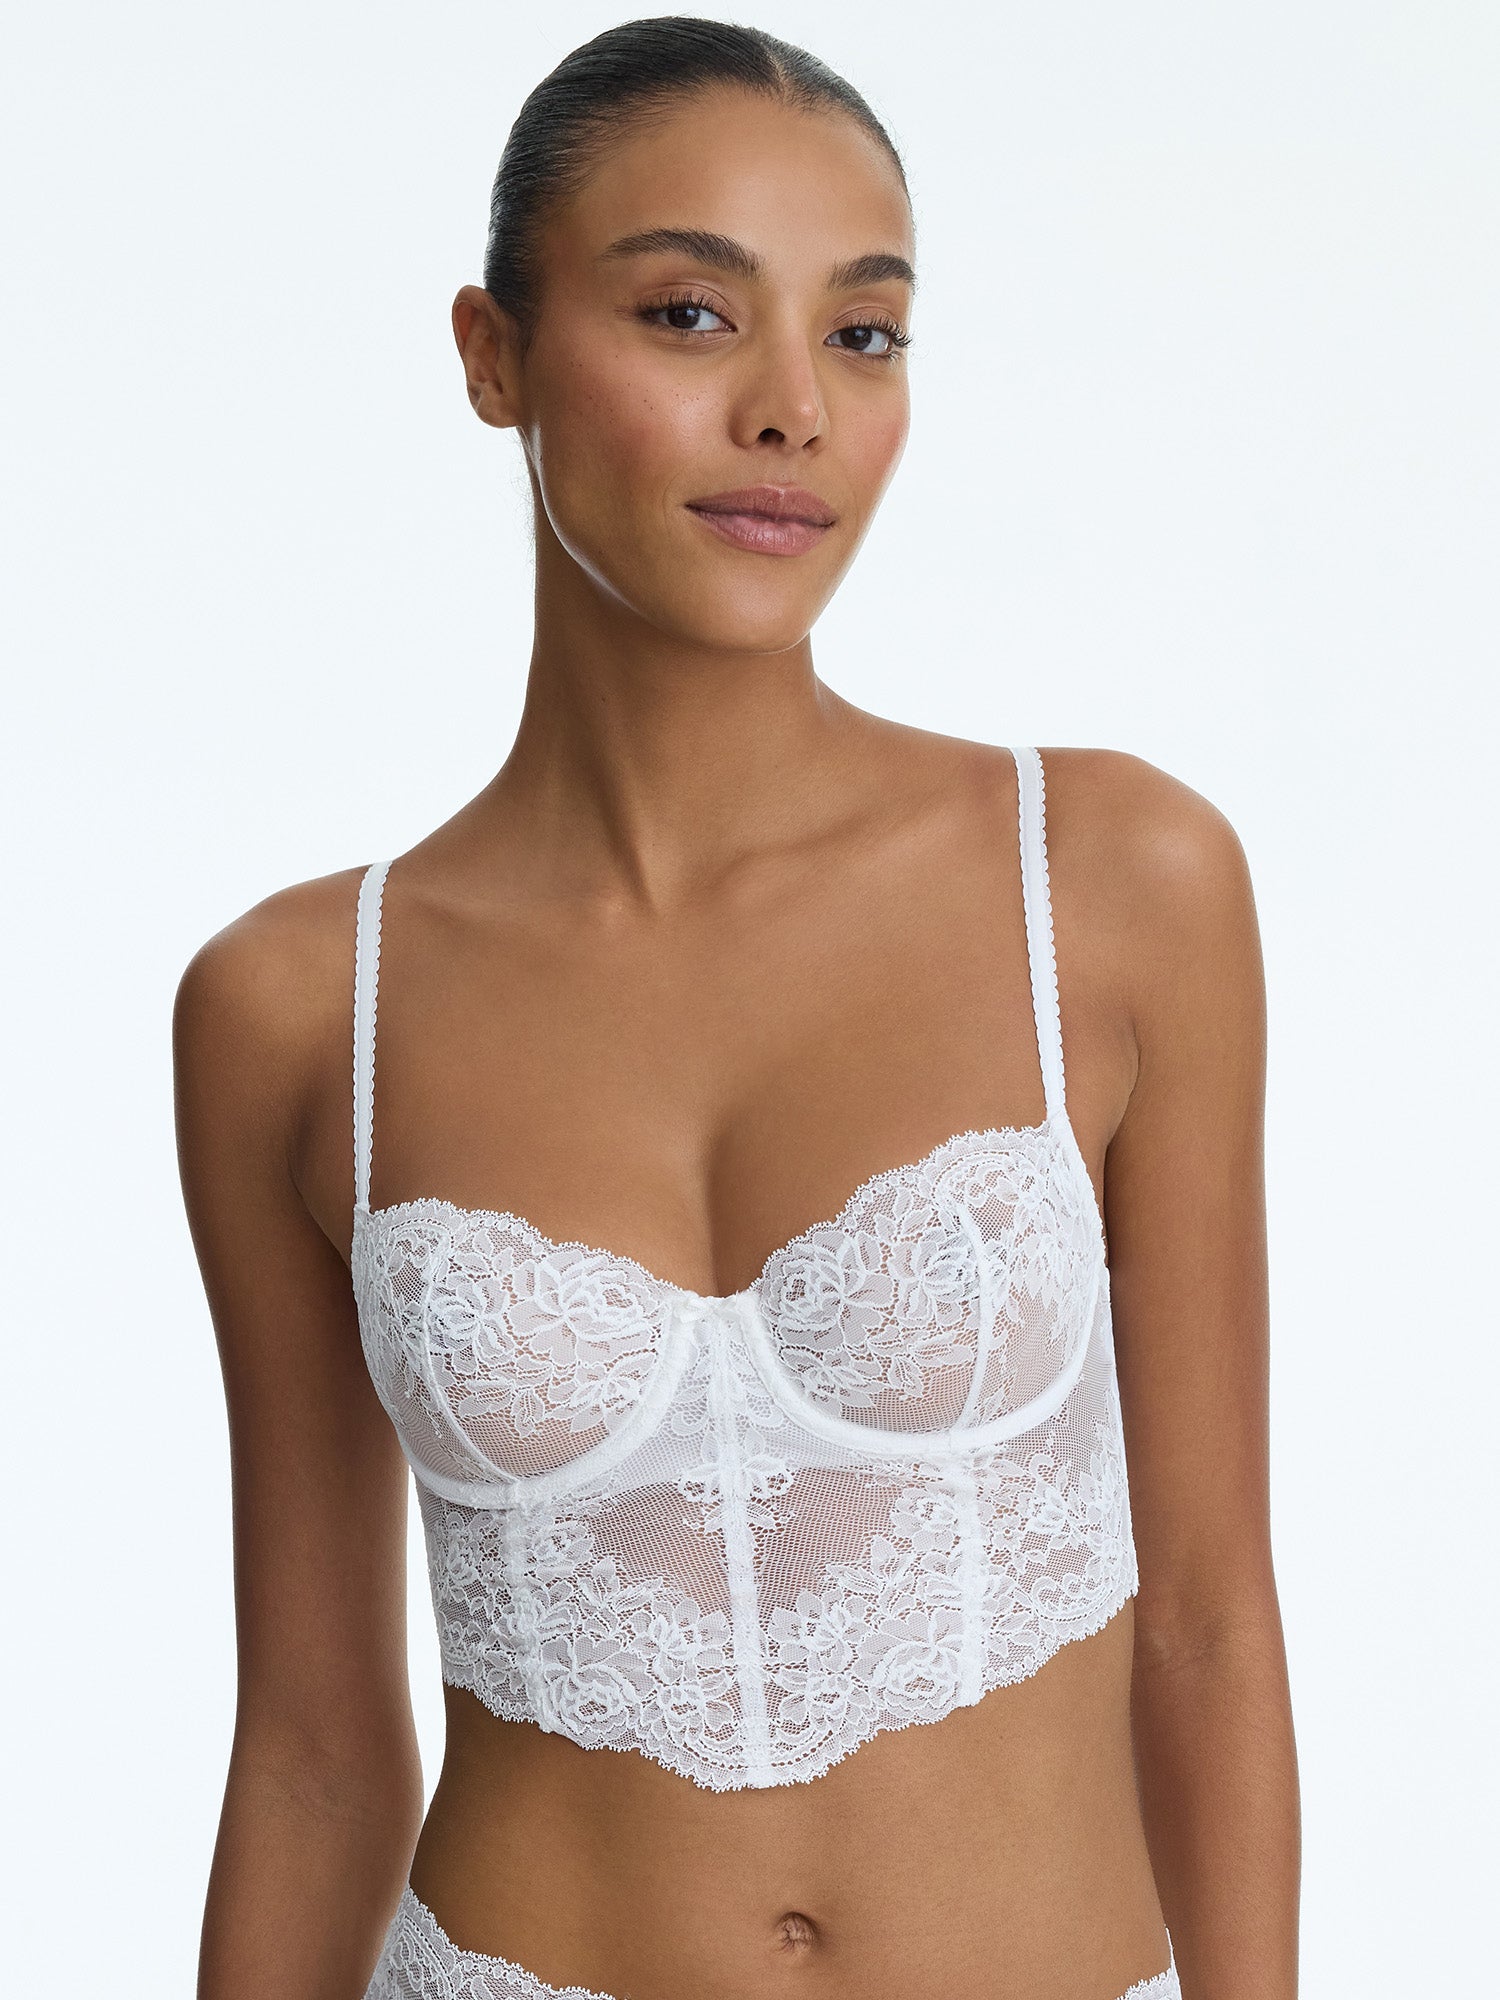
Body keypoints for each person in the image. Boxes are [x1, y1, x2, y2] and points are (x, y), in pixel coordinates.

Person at [175, 18, 1300, 1999]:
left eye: (863, 335)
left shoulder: (1112, 886)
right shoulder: (297, 1008)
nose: (791, 409)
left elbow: (1208, 1629)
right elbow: (317, 1755)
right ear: (494, 356)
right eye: (691, 314)